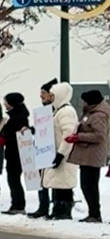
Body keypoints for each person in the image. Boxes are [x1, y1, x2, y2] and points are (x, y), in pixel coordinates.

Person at [42, 80, 80, 221]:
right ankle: (58, 209)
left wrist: (61, 154)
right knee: (57, 183)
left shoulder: (66, 112)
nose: (50, 98)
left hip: (64, 155)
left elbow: (68, 135)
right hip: (57, 152)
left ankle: (64, 210)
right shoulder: (58, 111)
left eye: (52, 95)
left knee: (64, 183)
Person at [70, 88, 107, 223]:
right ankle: (93, 212)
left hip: (93, 155)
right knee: (86, 185)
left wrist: (79, 136)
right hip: (87, 154)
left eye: (84, 101)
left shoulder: (98, 115)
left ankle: (95, 213)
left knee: (89, 185)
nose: (83, 103)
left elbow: (99, 136)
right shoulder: (90, 113)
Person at [1, 91, 30, 215]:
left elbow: (19, 137)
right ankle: (16, 204)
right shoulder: (15, 116)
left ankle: (18, 205)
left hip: (16, 153)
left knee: (14, 179)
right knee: (13, 179)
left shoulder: (18, 118)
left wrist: (3, 140)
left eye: (6, 102)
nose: (4, 104)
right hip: (13, 153)